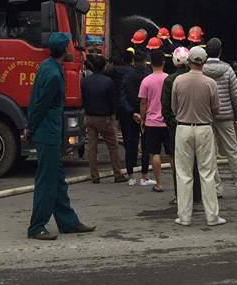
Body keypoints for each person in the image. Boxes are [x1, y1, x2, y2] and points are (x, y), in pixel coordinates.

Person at [26, 32, 95, 240]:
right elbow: (41, 105)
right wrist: (31, 127)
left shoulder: (47, 66)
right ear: (64, 50)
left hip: (48, 132)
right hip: (47, 133)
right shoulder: (55, 75)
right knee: (47, 182)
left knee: (58, 181)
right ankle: (36, 226)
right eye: (69, 47)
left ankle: (68, 222)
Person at [171, 45, 224, 227]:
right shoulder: (211, 83)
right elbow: (216, 109)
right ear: (204, 61)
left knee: (184, 173)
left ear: (189, 61)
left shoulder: (178, 81)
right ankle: (212, 216)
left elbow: (174, 107)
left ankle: (184, 216)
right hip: (204, 128)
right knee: (207, 172)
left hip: (183, 127)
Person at [203, 37, 237, 199]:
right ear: (220, 51)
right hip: (226, 116)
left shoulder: (200, 70)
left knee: (210, 154)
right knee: (233, 151)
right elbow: (235, 95)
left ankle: (216, 189)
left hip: (206, 117)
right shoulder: (228, 70)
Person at [81, 55, 126, 185]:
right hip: (105, 117)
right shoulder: (108, 81)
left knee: (92, 147)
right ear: (103, 66)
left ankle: (94, 175)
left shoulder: (85, 81)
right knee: (113, 146)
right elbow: (113, 101)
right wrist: (113, 115)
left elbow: (83, 99)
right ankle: (117, 174)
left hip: (89, 117)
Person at [138, 50, 171, 193]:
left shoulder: (146, 81)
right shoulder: (169, 79)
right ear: (164, 62)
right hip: (167, 121)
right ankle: (178, 182)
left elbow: (143, 103)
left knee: (155, 153)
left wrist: (142, 119)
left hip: (151, 122)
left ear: (150, 64)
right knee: (172, 153)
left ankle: (158, 183)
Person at [162, 46, 189, 204]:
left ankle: (180, 195)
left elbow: (165, 106)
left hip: (176, 126)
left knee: (177, 162)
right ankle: (196, 194)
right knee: (197, 162)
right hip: (196, 125)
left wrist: (171, 122)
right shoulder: (198, 77)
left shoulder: (170, 80)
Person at [121, 51, 152, 186]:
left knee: (130, 144)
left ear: (133, 61)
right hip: (146, 114)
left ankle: (131, 176)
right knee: (146, 145)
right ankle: (144, 175)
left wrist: (132, 112)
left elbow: (122, 96)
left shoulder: (127, 76)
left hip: (130, 115)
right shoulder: (148, 76)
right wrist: (144, 113)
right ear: (145, 60)